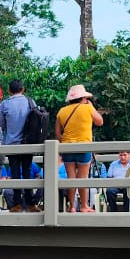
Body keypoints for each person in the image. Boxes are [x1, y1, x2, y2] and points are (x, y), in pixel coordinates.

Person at [55, 84, 105, 213]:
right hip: (83, 147)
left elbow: (58, 133)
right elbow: (100, 121)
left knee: (71, 178)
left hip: (67, 148)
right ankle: (83, 206)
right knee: (83, 177)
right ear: (83, 98)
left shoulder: (62, 111)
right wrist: (91, 106)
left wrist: (66, 141)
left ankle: (71, 206)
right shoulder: (87, 108)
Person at [0, 79, 37, 212]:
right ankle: (30, 204)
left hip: (12, 144)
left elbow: (1, 124)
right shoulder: (30, 102)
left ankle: (16, 204)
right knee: (27, 172)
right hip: (28, 143)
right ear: (23, 89)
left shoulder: (5, 104)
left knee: (15, 174)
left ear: (9, 91)